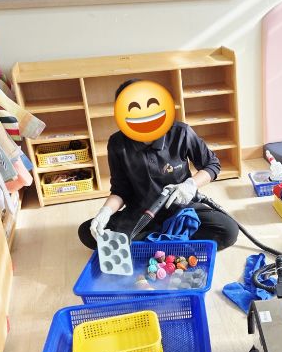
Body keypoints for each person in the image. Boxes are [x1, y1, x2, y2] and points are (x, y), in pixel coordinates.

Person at [78, 79, 239, 250]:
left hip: (182, 210)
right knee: (88, 233)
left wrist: (190, 184)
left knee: (228, 230)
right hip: (140, 214)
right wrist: (105, 212)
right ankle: (173, 242)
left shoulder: (181, 132)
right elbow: (120, 190)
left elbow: (211, 164)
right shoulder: (117, 143)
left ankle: (152, 244)